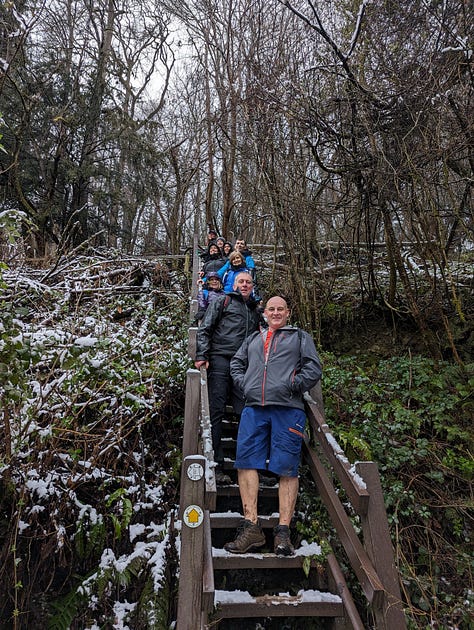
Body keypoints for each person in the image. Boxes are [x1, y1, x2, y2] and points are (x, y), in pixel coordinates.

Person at [224, 296, 322, 555]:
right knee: (245, 462)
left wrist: (293, 385)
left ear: (288, 313)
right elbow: (236, 363)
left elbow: (313, 368)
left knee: (287, 467)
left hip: (288, 411)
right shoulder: (253, 339)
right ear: (264, 312)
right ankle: (251, 527)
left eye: (280, 309)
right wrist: (245, 384)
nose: (275, 312)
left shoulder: (300, 337)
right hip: (254, 408)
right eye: (271, 309)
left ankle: (282, 533)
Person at [194, 272, 263, 483]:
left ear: (252, 286)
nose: (244, 285)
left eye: (248, 282)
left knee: (247, 413)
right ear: (233, 285)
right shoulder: (222, 301)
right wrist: (201, 355)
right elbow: (205, 328)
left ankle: (248, 468)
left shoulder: (254, 310)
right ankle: (217, 466)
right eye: (241, 281)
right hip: (220, 359)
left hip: (243, 365)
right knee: (216, 410)